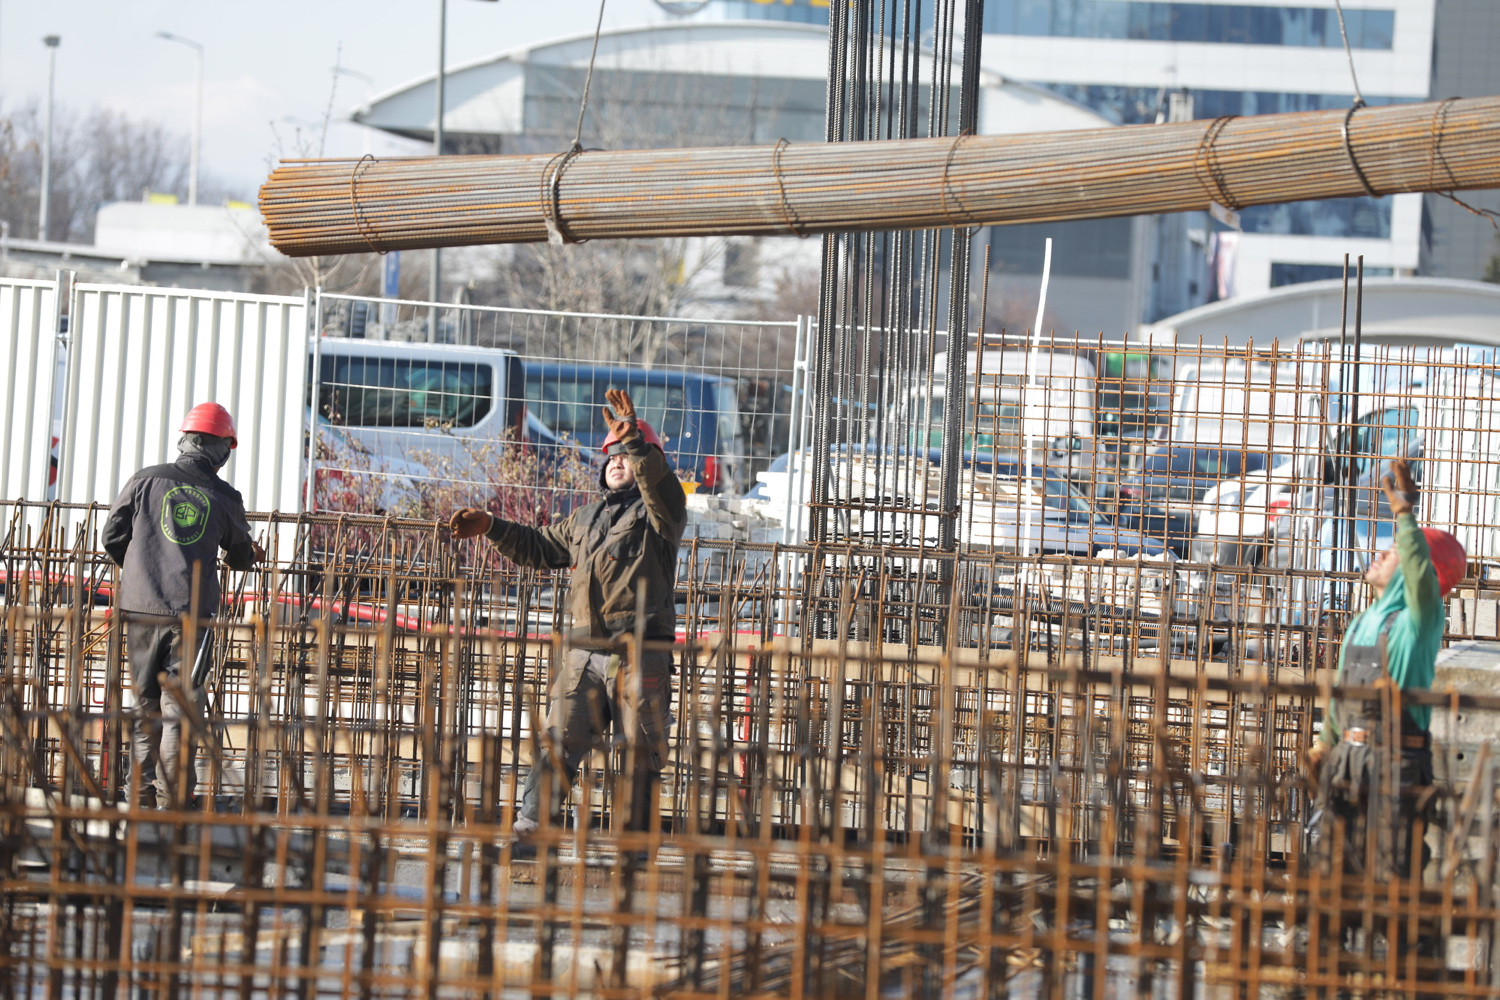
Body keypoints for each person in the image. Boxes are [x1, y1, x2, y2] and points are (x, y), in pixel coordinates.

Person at [449, 389, 686, 839]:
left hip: (641, 654)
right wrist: (492, 527)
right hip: (583, 658)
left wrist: (635, 439)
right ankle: (530, 835)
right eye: (611, 456)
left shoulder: (661, 517)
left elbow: (660, 486)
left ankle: (635, 851)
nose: (618, 461)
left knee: (641, 755)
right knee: (557, 746)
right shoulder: (585, 518)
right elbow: (539, 547)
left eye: (627, 455)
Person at [1307, 457, 1466, 879]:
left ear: (1421, 572)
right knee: (1332, 877)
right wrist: (1324, 745)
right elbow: (1342, 695)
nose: (1380, 551)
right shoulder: (1364, 622)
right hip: (1349, 760)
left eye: (1394, 550)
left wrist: (1405, 517)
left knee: (1391, 882)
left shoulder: (1421, 621)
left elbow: (1419, 574)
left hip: (1396, 766)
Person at [102, 403, 262, 808]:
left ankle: (137, 798)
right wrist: (244, 555)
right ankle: (172, 802)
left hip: (139, 607)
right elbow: (241, 554)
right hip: (191, 615)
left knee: (145, 703)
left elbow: (112, 535)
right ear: (220, 448)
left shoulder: (144, 480)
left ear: (186, 439)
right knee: (180, 707)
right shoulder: (224, 496)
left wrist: (141, 573)